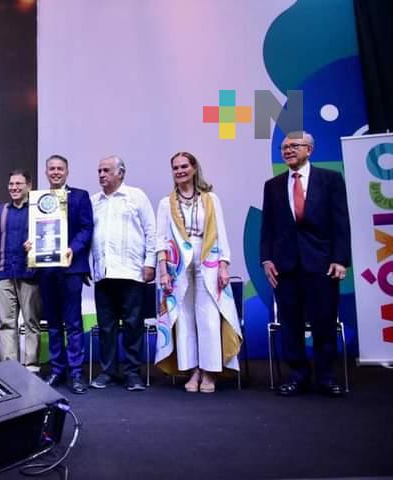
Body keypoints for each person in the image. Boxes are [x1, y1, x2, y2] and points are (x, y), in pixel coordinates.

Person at [260, 131, 351, 397]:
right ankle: (297, 376)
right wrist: (266, 259)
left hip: (322, 264)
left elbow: (340, 222)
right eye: (283, 147)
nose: (287, 150)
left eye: (293, 146)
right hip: (285, 267)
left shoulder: (330, 180)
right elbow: (268, 227)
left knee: (323, 323)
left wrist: (340, 259)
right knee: (291, 325)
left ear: (309, 149)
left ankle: (326, 377)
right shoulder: (273, 185)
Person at [155, 152, 241, 393]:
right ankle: (192, 371)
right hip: (177, 267)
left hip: (208, 262)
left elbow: (220, 232)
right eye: (175, 167)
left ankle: (210, 372)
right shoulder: (166, 202)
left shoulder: (211, 199)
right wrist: (163, 271)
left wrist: (224, 265)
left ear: (194, 169)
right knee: (184, 320)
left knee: (209, 319)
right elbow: (160, 240)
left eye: (184, 166)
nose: (180, 171)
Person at [89, 156, 155, 391]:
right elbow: (88, 236)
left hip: (132, 272)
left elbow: (150, 231)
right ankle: (107, 372)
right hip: (103, 273)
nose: (101, 175)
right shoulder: (93, 201)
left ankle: (133, 373)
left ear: (121, 173)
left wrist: (150, 263)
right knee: (106, 326)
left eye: (106, 170)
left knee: (132, 324)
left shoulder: (136, 197)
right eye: (99, 171)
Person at [38, 154, 93, 394]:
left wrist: (73, 249)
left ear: (67, 172)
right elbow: (35, 231)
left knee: (72, 322)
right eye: (52, 169)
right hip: (46, 268)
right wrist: (31, 245)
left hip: (71, 268)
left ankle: (77, 373)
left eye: (60, 169)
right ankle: (57, 370)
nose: (56, 172)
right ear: (46, 172)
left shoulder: (80, 196)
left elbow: (86, 228)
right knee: (52, 323)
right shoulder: (39, 200)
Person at [0, 169, 41, 371]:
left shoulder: (37, 209)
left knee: (31, 322)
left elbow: (48, 235)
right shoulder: (1, 211)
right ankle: (10, 369)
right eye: (11, 184)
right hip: (4, 273)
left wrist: (37, 243)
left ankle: (32, 367)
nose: (14, 188)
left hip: (30, 273)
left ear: (29, 185)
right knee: (6, 323)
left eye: (19, 184)